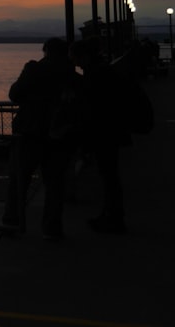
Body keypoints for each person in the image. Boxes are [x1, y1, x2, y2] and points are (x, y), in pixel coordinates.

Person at [2, 37, 82, 239]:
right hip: (59, 136)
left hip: (29, 133)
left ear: (46, 51)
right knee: (55, 184)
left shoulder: (33, 69)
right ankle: (52, 227)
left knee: (19, 181)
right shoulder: (72, 77)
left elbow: (15, 94)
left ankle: (12, 224)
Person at [72, 38, 130, 234]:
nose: (75, 63)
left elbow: (92, 111)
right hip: (110, 132)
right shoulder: (103, 71)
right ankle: (111, 215)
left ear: (84, 56)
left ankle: (113, 218)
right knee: (109, 177)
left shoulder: (95, 75)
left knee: (109, 177)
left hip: (104, 134)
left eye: (76, 58)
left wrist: (85, 142)